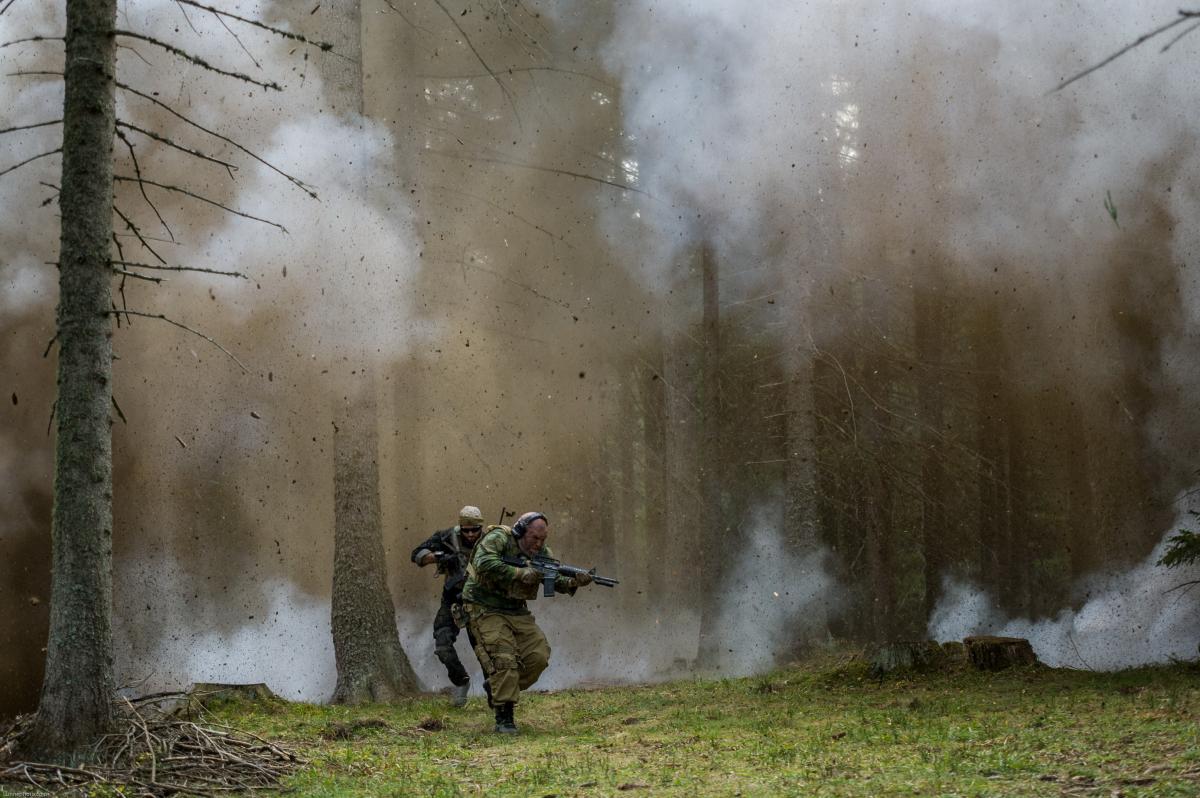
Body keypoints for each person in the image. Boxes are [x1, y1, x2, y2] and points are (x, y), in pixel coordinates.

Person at [460, 511, 593, 733]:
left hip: (516, 610)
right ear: (521, 532)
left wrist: (574, 581)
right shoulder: (499, 539)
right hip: (484, 607)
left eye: (543, 539)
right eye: (534, 538)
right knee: (505, 659)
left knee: (538, 656)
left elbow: (555, 580)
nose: (538, 544)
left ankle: (498, 688)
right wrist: (519, 573)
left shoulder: (543, 554)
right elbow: (483, 563)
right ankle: (505, 719)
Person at [411, 505, 485, 707]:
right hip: (452, 600)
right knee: (443, 645)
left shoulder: (490, 542)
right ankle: (461, 682)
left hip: (481, 603)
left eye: (474, 530)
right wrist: (438, 557)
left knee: (486, 649)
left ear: (481, 528)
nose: (470, 534)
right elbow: (417, 554)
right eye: (466, 530)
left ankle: (495, 691)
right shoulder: (446, 538)